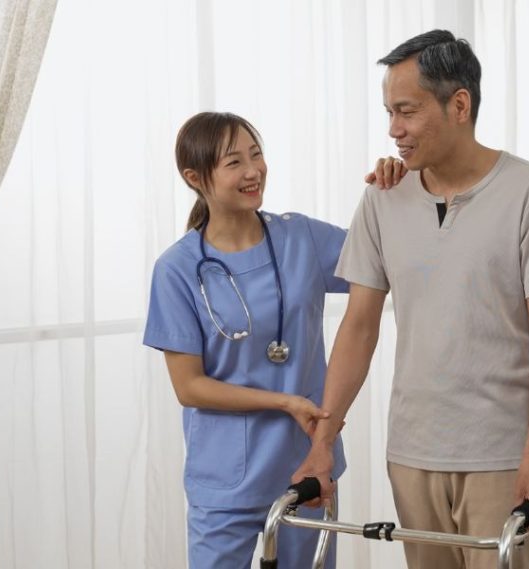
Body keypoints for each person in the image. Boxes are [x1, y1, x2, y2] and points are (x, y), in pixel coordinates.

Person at [292, 30, 529, 569]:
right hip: (411, 454)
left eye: (406, 111)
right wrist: (323, 442)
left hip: (501, 457)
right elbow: (359, 326)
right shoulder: (383, 198)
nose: (393, 130)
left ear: (459, 105)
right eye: (389, 112)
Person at [143, 111, 403, 568]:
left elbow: (388, 255)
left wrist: (396, 192)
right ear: (194, 177)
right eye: (233, 162)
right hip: (226, 484)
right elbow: (190, 386)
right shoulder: (177, 270)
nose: (252, 171)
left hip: (306, 470)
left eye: (256, 154)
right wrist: (284, 402)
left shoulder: (300, 237)